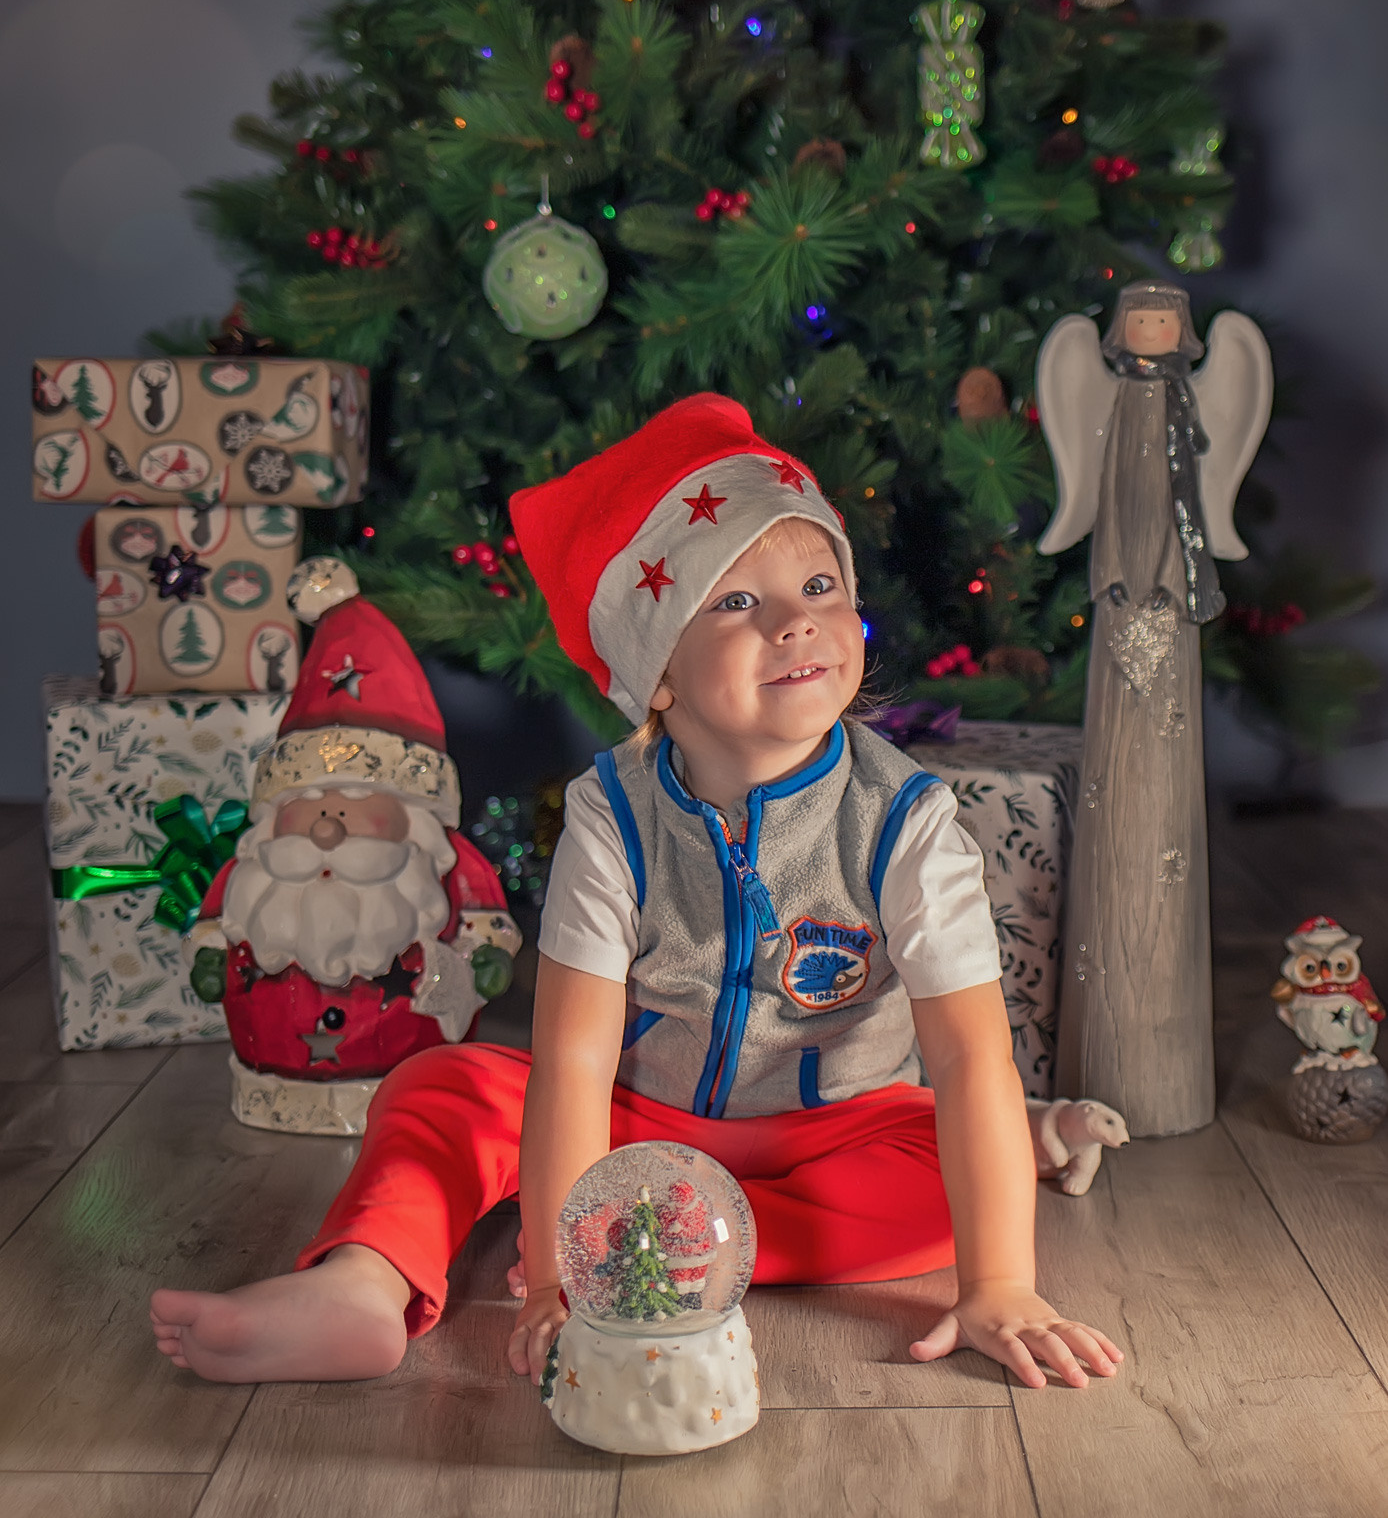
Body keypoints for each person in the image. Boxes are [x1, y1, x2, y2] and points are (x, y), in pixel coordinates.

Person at [151, 393, 1122, 1393]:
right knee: (441, 1088)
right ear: (655, 673)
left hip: (843, 1120)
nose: (797, 620)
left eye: (820, 584)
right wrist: (556, 1277)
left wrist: (999, 1282)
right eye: (736, 601)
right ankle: (366, 1278)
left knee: (946, 1178)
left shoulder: (904, 820)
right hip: (636, 1112)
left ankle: (664, 1243)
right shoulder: (611, 813)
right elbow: (571, 1053)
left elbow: (968, 1053)